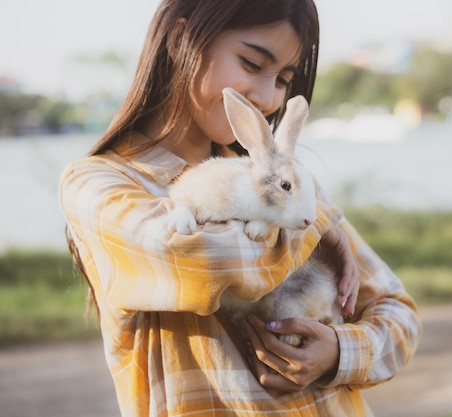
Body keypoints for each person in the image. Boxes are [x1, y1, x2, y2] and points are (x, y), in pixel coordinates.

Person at [58, 1, 421, 416]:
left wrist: (337, 353)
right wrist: (316, 226)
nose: (268, 99)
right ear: (180, 41)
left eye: (284, 79)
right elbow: (199, 260)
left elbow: (398, 313)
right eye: (251, 63)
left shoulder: (287, 185)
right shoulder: (97, 185)